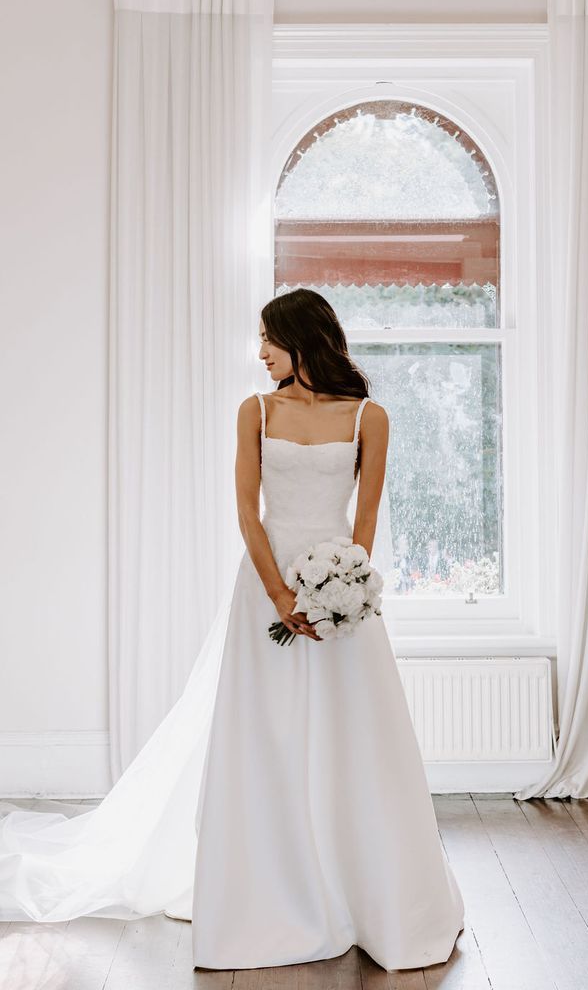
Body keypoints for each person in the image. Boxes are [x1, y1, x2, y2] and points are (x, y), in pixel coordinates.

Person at [0, 287, 464, 973]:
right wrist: (281, 593)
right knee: (266, 736)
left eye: (267, 339)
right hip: (265, 596)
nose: (260, 351)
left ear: (300, 340)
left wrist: (341, 591)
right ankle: (271, 891)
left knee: (355, 737)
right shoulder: (255, 411)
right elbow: (248, 511)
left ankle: (365, 893)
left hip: (342, 601)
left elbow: (363, 523)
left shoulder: (371, 416)